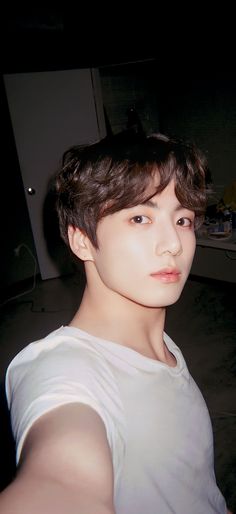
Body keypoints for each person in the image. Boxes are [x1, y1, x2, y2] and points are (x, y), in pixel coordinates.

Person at [0, 134, 232, 514]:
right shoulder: (62, 371)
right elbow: (60, 481)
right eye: (140, 217)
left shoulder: (162, 345)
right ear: (82, 242)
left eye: (183, 219)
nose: (172, 242)